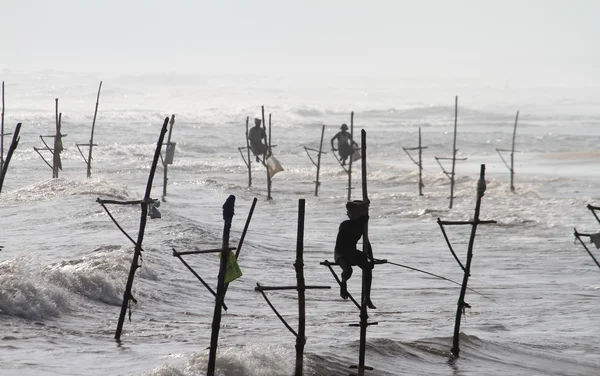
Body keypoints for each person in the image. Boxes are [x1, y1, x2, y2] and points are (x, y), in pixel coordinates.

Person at [334, 200, 376, 309]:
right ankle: (343, 284)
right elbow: (340, 247)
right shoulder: (345, 225)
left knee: (367, 267)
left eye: (350, 212)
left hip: (352, 252)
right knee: (348, 271)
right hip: (341, 253)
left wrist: (371, 258)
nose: (347, 214)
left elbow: (366, 242)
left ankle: (367, 297)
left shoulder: (362, 224)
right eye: (348, 212)